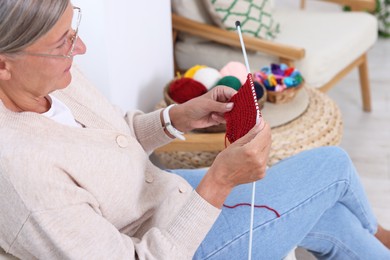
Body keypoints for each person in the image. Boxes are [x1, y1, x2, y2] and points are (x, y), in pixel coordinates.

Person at [0, 1, 389, 259]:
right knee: (331, 167)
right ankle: (377, 236)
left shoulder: (48, 77)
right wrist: (219, 182)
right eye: (63, 42)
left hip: (167, 194)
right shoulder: (23, 172)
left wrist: (177, 118)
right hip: (178, 246)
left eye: (74, 29)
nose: (80, 47)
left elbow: (118, 132)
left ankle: (373, 241)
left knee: (331, 218)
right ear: (4, 64)